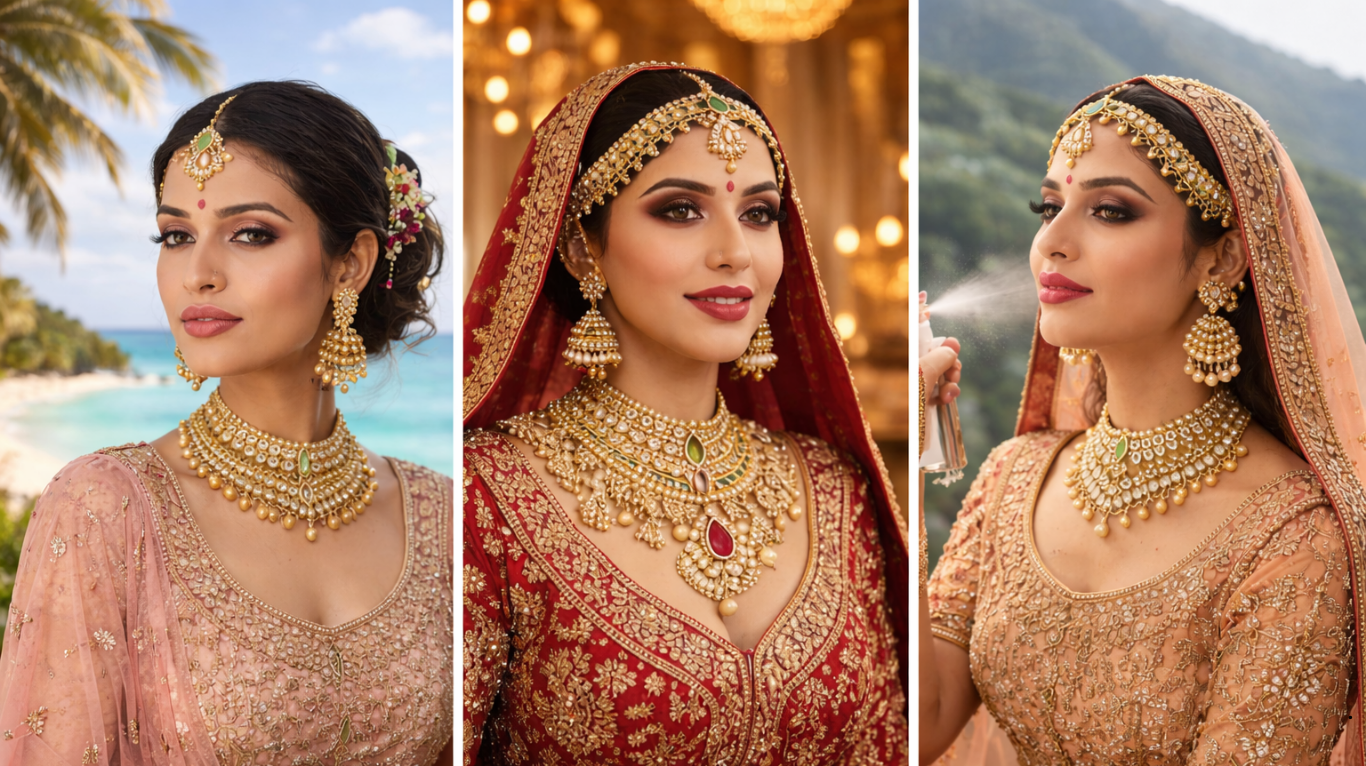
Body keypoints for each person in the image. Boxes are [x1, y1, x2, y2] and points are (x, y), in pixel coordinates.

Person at [462, 63, 909, 765]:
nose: (735, 252)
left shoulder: (835, 487)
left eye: (759, 214)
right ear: (583, 246)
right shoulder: (486, 496)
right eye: (680, 210)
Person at [0, 82, 454, 765]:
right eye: (176, 235)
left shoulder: (444, 517)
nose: (198, 274)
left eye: (250, 233)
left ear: (350, 262)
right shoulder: (105, 508)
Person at [919, 75, 1366, 765]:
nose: (1052, 244)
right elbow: (925, 721)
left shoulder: (1294, 539)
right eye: (1048, 207)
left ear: (1221, 258)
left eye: (1111, 212)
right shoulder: (1014, 477)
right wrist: (902, 450)